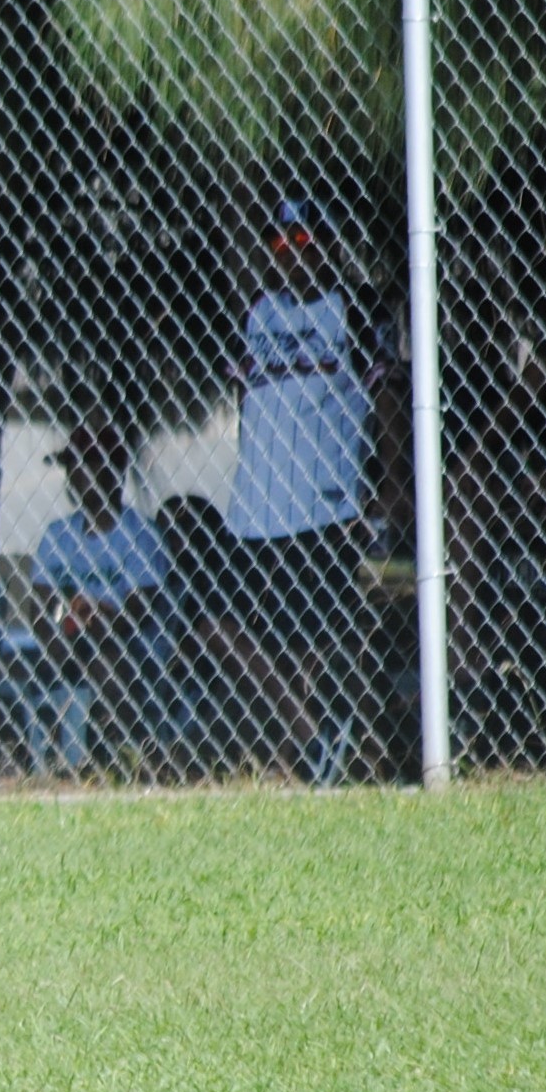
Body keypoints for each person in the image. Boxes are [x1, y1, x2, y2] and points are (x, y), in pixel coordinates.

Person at [206, 200, 380, 779]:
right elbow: (242, 400)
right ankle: (309, 737)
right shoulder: (255, 315)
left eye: (303, 240)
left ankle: (345, 748)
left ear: (328, 245)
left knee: (323, 634)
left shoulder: (349, 310)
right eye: (279, 245)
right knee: (218, 626)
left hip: (323, 507)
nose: (291, 255)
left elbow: (386, 401)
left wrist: (382, 484)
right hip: (256, 512)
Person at [27, 418, 168, 751]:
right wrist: (56, 637)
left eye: (89, 463)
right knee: (34, 661)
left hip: (131, 647)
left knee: (106, 658)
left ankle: (120, 750)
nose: (79, 474)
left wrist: (96, 620)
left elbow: (137, 612)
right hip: (71, 640)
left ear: (115, 471)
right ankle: (50, 753)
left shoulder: (139, 534)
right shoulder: (57, 535)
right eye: (74, 465)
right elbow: (40, 607)